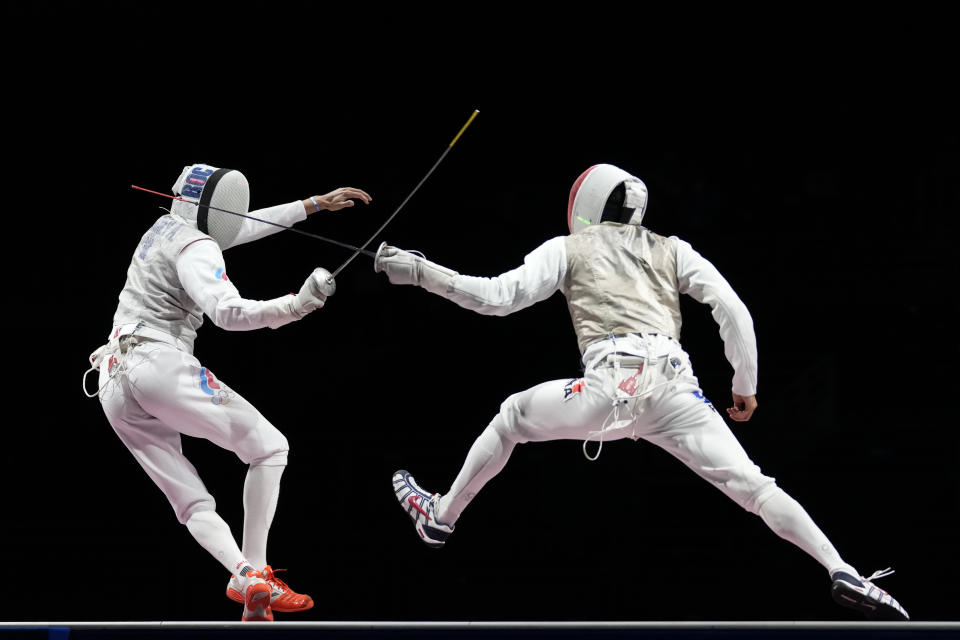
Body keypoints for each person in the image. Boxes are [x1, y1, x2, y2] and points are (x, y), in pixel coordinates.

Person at [374, 163, 908, 621]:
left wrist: (420, 271)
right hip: (679, 386)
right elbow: (734, 311)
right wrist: (745, 386)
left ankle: (440, 519)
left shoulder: (568, 247)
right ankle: (842, 568)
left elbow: (496, 297)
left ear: (583, 203)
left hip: (612, 382)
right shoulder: (673, 249)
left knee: (512, 416)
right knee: (754, 487)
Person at [83, 163, 371, 621]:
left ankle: (242, 576)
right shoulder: (197, 246)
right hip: (157, 364)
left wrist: (312, 205)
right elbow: (228, 312)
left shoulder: (162, 229)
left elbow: (244, 226)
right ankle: (257, 570)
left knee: (191, 500)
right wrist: (296, 306)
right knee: (270, 448)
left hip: (111, 379)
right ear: (209, 210)